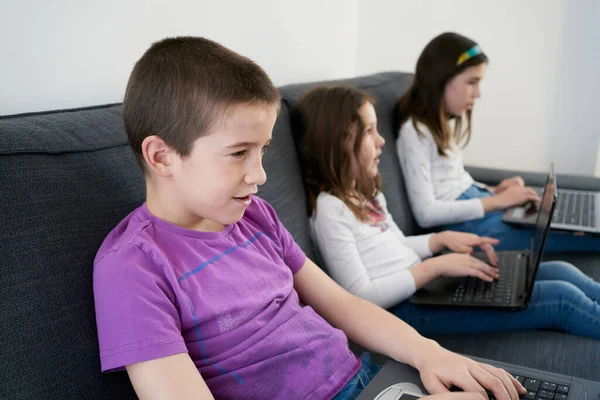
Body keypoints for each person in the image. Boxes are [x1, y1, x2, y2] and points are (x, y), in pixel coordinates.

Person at [92, 37, 526, 400]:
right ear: (161, 156)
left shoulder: (255, 217)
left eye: (261, 151)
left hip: (371, 382)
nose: (259, 175)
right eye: (239, 153)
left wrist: (428, 353)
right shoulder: (132, 267)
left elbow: (342, 304)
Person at [295, 84, 600, 340]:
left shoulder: (364, 193)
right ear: (338, 142)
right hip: (403, 313)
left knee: (560, 271)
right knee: (562, 299)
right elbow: (358, 298)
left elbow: (398, 245)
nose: (381, 140)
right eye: (369, 131)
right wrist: (434, 267)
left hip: (423, 288)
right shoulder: (329, 210)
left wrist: (441, 240)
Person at [394, 32, 599, 252]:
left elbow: (452, 183)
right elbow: (426, 213)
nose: (478, 93)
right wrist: (496, 202)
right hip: (467, 226)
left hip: (477, 207)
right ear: (440, 80)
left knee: (559, 220)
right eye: (472, 82)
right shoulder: (415, 133)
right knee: (584, 237)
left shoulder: (440, 122)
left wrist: (495, 191)